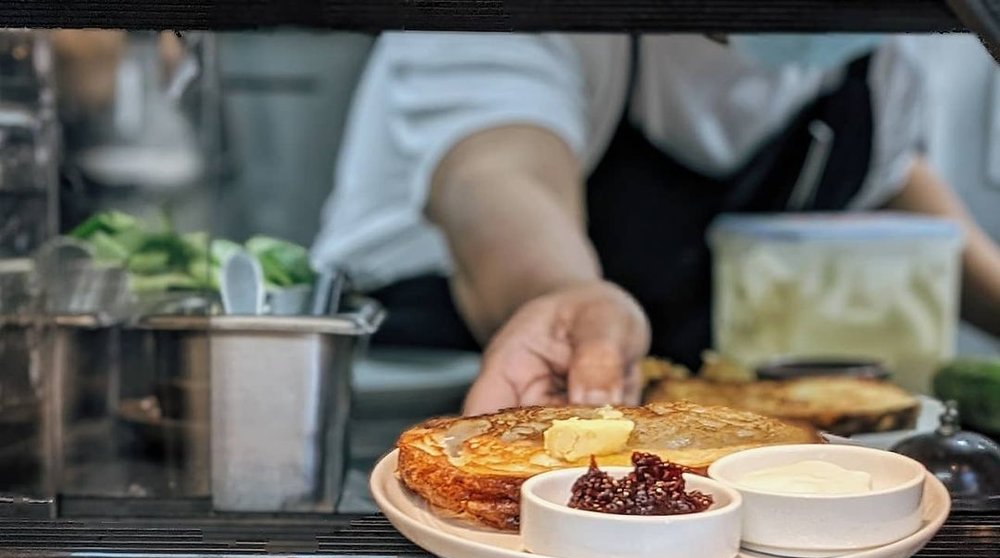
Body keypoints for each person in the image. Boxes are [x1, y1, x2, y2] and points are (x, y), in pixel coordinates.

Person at [311, 33, 1000, 414]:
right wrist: (559, 293)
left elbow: (889, 176)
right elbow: (493, 174)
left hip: (650, 422)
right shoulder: (525, 23)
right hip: (420, 394)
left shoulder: (873, 47)